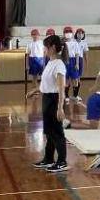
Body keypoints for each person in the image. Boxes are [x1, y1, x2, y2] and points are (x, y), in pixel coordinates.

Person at [25, 33, 69, 173]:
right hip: (47, 99)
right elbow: (46, 83)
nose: (44, 50)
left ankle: (62, 161)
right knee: (49, 132)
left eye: (46, 47)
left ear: (53, 47)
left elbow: (61, 88)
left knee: (57, 132)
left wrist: (60, 108)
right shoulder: (50, 62)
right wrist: (34, 90)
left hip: (55, 100)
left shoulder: (59, 65)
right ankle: (49, 158)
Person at [25, 28, 46, 94]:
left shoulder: (42, 43)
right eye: (33, 34)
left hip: (40, 60)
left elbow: (44, 53)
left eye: (36, 34)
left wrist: (44, 63)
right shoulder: (29, 44)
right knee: (34, 77)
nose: (35, 36)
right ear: (31, 35)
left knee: (43, 76)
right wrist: (27, 65)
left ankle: (42, 89)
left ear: (38, 35)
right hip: (32, 60)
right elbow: (27, 55)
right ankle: (35, 90)